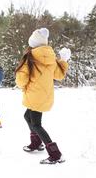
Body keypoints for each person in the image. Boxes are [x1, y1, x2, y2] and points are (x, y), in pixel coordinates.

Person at [15, 28, 70, 164]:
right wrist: (63, 60)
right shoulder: (51, 57)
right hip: (45, 95)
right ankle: (36, 143)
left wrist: (23, 87)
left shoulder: (30, 57)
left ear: (32, 42)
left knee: (36, 124)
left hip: (34, 95)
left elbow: (21, 78)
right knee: (27, 116)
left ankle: (55, 154)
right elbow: (59, 75)